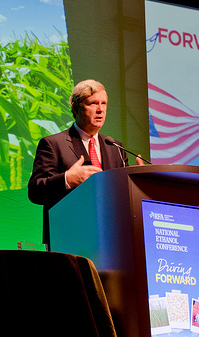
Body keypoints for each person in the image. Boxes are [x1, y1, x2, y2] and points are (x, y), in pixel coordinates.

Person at [28, 79, 143, 245]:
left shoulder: (114, 147)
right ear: (75, 107)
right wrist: (67, 179)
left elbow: (122, 198)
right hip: (69, 239)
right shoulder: (53, 144)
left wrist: (138, 183)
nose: (100, 110)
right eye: (93, 103)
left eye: (104, 103)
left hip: (111, 241)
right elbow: (35, 191)